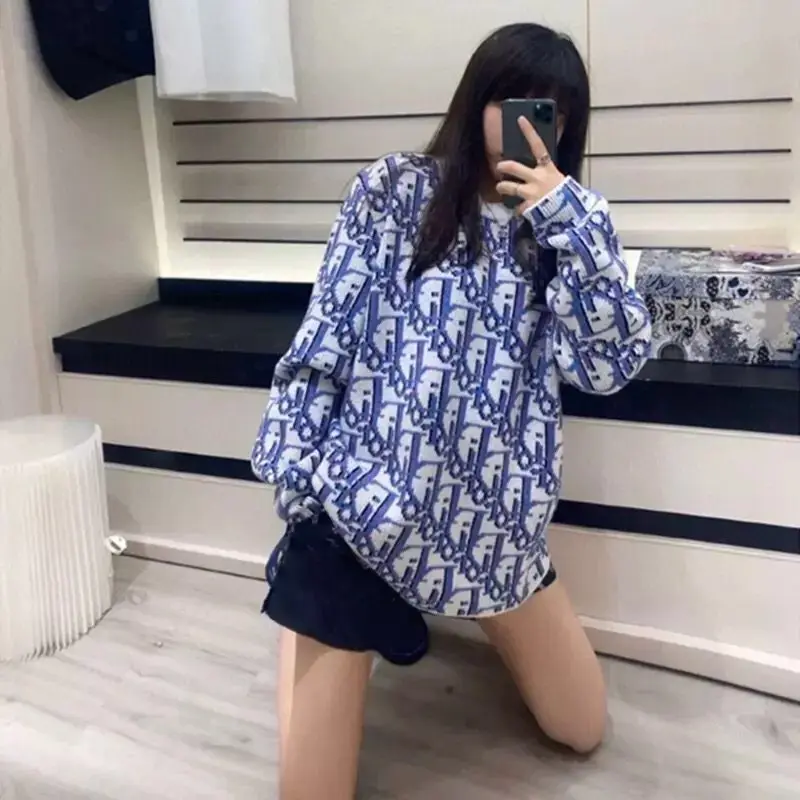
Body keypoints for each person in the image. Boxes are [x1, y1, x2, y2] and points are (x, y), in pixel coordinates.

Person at [251, 21, 652, 800]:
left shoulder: (564, 233)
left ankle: (352, 625)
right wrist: (298, 483)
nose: (527, 125)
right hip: (365, 512)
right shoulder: (394, 192)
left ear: (568, 127)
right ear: (477, 100)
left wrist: (573, 226)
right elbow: (324, 339)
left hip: (492, 530)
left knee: (581, 728)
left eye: (550, 112)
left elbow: (605, 368)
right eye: (511, 101)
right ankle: (312, 615)